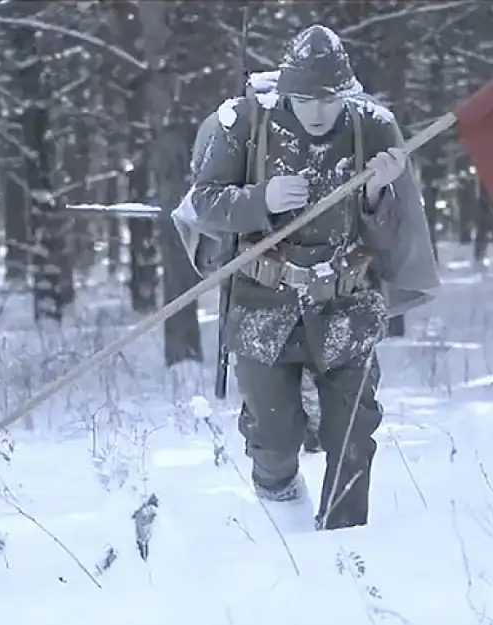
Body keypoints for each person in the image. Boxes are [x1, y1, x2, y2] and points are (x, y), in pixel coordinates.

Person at [173, 24, 439, 530]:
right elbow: (203, 203)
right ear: (287, 91)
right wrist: (261, 201)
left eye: (330, 100)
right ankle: (283, 521)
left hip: (346, 305)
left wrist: (378, 195)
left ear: (348, 93)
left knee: (353, 435)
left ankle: (345, 549)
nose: (319, 112)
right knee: (274, 439)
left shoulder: (373, 128)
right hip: (261, 305)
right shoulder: (244, 125)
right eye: (305, 99)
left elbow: (394, 238)